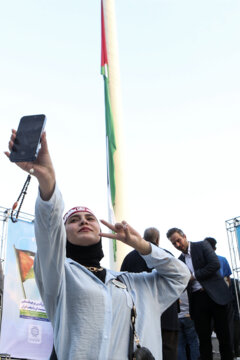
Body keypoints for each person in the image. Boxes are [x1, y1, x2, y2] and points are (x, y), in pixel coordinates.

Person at [6, 130, 190, 360]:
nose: (83, 220)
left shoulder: (131, 282)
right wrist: (47, 180)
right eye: (73, 220)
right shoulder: (59, 275)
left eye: (90, 218)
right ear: (63, 234)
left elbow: (180, 275)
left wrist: (141, 245)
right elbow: (48, 230)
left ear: (100, 231)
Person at [167, 227, 233, 360]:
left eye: (178, 240)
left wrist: (194, 276)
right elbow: (182, 283)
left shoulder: (202, 246)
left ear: (184, 236)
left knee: (224, 336)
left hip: (216, 297)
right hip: (197, 301)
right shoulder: (179, 261)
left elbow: (214, 264)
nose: (178, 245)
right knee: (203, 340)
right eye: (174, 243)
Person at [121, 227, 180, 360]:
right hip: (168, 315)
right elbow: (179, 280)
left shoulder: (129, 258)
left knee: (142, 352)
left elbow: (122, 286)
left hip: (139, 317)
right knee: (169, 352)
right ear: (157, 239)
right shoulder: (166, 254)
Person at [177, 289, 200, 360]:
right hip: (189, 316)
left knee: (180, 344)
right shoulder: (188, 287)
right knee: (193, 343)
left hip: (177, 317)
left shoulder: (175, 288)